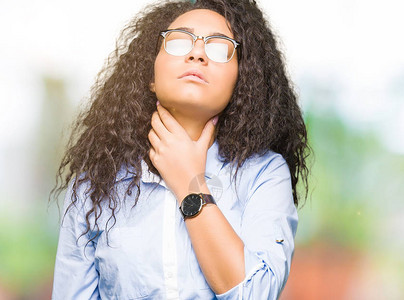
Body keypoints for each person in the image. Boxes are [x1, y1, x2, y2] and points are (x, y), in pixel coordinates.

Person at [51, 0, 309, 299]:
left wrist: (190, 183)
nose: (197, 53)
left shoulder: (264, 173)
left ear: (242, 80)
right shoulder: (94, 186)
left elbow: (256, 293)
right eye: (179, 41)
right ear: (150, 75)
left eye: (219, 46)